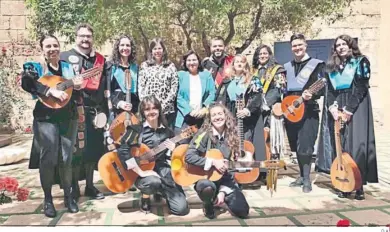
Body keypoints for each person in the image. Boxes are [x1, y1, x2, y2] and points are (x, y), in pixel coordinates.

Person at [21, 35, 81, 217]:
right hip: (45, 118)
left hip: (68, 117)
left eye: (55, 45)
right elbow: (26, 83)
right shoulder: (36, 67)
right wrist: (49, 90)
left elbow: (73, 90)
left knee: (66, 158)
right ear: (42, 49)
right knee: (47, 158)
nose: (53, 49)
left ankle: (68, 196)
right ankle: (47, 199)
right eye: (48, 46)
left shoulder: (68, 68)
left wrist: (77, 86)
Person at [316, 35, 378, 200]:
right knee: (340, 144)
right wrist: (331, 107)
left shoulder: (361, 62)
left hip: (356, 105)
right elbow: (329, 90)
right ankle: (344, 184)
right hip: (337, 104)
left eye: (344, 44)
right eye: (338, 45)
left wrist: (349, 110)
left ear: (351, 46)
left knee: (356, 144)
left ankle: (358, 185)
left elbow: (361, 87)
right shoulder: (331, 66)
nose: (341, 47)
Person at [117, 95, 190, 215]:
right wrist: (141, 172)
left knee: (181, 209)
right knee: (153, 182)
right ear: (143, 112)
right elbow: (122, 151)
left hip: (161, 167)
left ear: (159, 110)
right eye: (147, 109)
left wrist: (173, 150)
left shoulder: (166, 130)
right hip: (139, 171)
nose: (151, 112)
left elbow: (175, 156)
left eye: (154, 108)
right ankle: (146, 197)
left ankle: (161, 192)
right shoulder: (136, 130)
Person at [60, 23, 107, 201]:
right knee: (75, 151)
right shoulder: (65, 57)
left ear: (92, 38)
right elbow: (59, 83)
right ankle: (73, 187)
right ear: (76, 37)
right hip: (73, 111)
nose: (85, 39)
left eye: (88, 36)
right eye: (82, 36)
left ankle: (89, 186)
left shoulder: (100, 60)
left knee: (92, 149)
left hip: (95, 112)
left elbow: (104, 88)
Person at [185, 103, 250, 219]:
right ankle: (208, 203)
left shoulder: (233, 135)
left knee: (243, 211)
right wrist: (213, 162)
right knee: (207, 188)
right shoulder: (203, 133)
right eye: (213, 115)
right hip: (206, 179)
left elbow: (233, 166)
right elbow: (189, 156)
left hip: (225, 180)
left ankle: (220, 196)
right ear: (210, 119)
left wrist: (223, 191)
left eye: (220, 113)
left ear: (225, 116)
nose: (217, 117)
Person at [283, 33, 325, 193]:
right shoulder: (286, 67)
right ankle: (301, 175)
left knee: (306, 145)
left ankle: (307, 178)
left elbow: (322, 85)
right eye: (294, 46)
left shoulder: (317, 65)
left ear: (305, 45)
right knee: (295, 144)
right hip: (291, 111)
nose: (297, 48)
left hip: (308, 111)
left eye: (300, 45)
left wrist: (312, 94)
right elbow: (282, 88)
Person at [216, 54, 266, 164]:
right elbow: (220, 98)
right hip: (230, 116)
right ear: (233, 65)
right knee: (231, 142)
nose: (239, 64)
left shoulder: (253, 80)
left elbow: (257, 97)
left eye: (242, 62)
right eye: (236, 62)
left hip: (247, 117)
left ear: (245, 64)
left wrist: (247, 110)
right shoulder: (227, 81)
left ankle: (247, 167)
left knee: (245, 142)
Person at [252, 44, 287, 159]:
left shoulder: (278, 69)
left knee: (271, 140)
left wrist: (264, 103)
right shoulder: (253, 71)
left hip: (270, 109)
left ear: (270, 55)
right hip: (256, 110)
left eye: (265, 53)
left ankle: (272, 170)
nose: (262, 56)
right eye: (260, 54)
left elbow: (279, 89)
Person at [175, 50, 216, 142]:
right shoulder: (180, 75)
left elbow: (212, 93)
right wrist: (189, 111)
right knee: (182, 147)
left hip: (202, 117)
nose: (192, 63)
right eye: (189, 60)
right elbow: (178, 96)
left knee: (199, 146)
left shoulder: (206, 75)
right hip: (184, 118)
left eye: (194, 60)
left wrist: (204, 109)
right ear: (185, 62)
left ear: (198, 61)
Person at [138, 38, 178, 129]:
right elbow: (141, 87)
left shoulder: (170, 66)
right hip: (149, 111)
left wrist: (162, 106)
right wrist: (148, 106)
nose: (157, 51)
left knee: (167, 139)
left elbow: (174, 88)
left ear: (163, 50)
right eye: (155, 49)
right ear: (151, 51)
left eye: (159, 48)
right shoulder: (145, 65)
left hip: (166, 110)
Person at [106, 35, 139, 118]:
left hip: (132, 112)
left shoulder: (135, 68)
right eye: (122, 45)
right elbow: (107, 90)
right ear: (117, 47)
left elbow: (138, 92)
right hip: (116, 112)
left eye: (128, 45)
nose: (125, 48)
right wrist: (119, 103)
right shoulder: (110, 67)